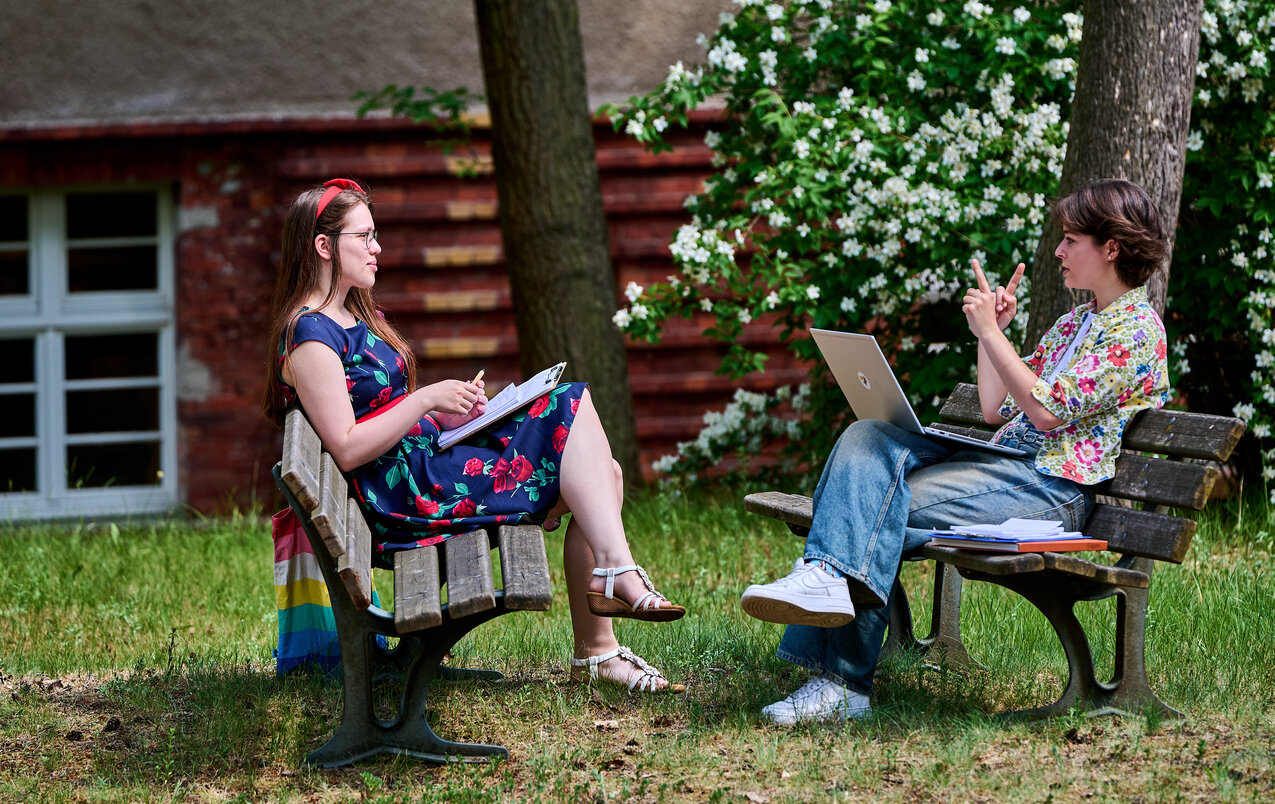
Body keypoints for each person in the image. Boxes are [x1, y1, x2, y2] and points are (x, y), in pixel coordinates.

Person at [739, 178, 1171, 723]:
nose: (1059, 251)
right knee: (867, 436)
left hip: (1050, 488)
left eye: (1070, 240)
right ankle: (826, 590)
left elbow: (1046, 412)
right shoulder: (1075, 324)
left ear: (1111, 247)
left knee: (870, 509)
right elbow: (996, 409)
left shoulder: (1136, 331)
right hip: (1006, 467)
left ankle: (840, 674)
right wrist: (993, 333)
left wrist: (992, 334)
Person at [263, 179, 685, 693]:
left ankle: (603, 638)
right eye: (364, 236)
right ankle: (609, 604)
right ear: (324, 246)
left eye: (375, 236)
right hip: (404, 501)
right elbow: (347, 447)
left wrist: (452, 416)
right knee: (570, 407)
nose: (377, 248)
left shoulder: (353, 316)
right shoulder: (310, 336)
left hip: (423, 468)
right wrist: (425, 399)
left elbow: (380, 410)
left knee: (603, 470)